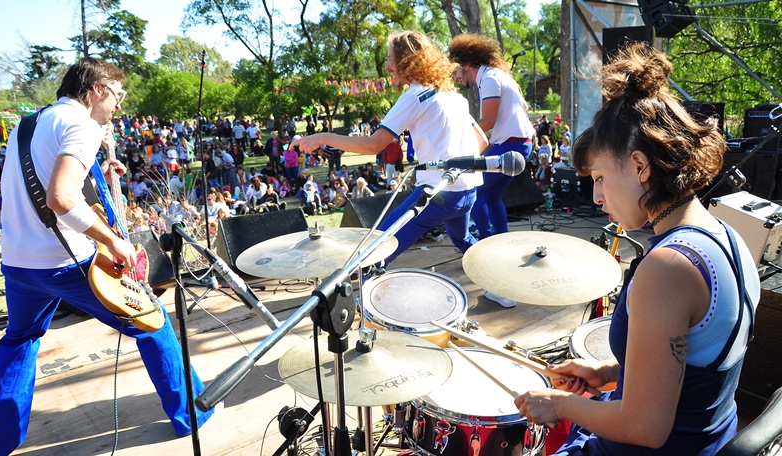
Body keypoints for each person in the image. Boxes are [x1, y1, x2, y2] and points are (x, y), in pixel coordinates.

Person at [514, 43, 760, 456]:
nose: (595, 196)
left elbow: (645, 427)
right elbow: (694, 372)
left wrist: (563, 405)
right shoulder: (727, 235)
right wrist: (607, 373)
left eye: (599, 178)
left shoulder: (667, 269)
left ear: (640, 167)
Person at [0, 58, 218, 455]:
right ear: (97, 90)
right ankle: (192, 412)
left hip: (19, 263)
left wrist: (97, 167)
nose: (119, 105)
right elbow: (60, 198)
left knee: (20, 339)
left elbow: (38, 179)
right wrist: (113, 242)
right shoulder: (81, 125)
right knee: (152, 323)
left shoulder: (29, 123)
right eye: (117, 95)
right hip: (66, 263)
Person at [294, 31, 486, 264]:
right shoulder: (454, 97)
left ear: (406, 61)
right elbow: (482, 142)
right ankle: (501, 286)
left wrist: (323, 137)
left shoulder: (415, 96)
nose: (387, 67)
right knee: (464, 239)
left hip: (438, 196)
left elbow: (373, 144)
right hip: (469, 193)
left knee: (374, 253)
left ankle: (362, 301)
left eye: (389, 59)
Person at [448, 33, 534, 239]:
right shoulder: (498, 75)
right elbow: (524, 105)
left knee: (475, 191)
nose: (456, 79)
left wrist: (458, 137)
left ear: (466, 64)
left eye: (455, 72)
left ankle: (485, 242)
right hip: (520, 144)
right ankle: (500, 240)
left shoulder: (488, 79)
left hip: (511, 145)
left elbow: (488, 121)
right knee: (491, 195)